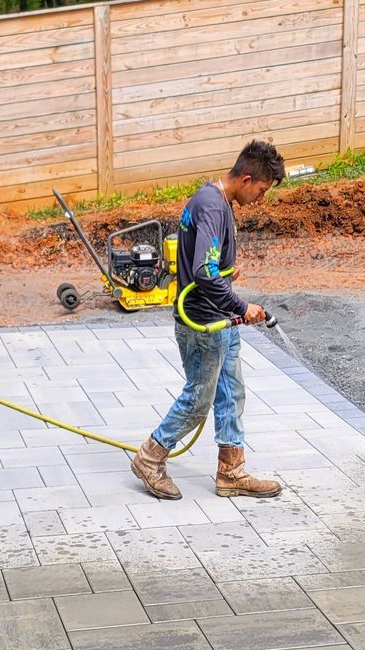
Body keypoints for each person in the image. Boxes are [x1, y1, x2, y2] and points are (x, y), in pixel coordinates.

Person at [132, 140, 286, 501]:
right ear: (246, 178)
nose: (261, 198)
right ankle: (150, 456)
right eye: (261, 190)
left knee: (231, 391)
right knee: (199, 398)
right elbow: (203, 270)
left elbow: (207, 264)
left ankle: (231, 471)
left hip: (219, 320)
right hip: (203, 323)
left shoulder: (212, 200)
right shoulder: (213, 208)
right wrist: (240, 305)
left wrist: (227, 280)